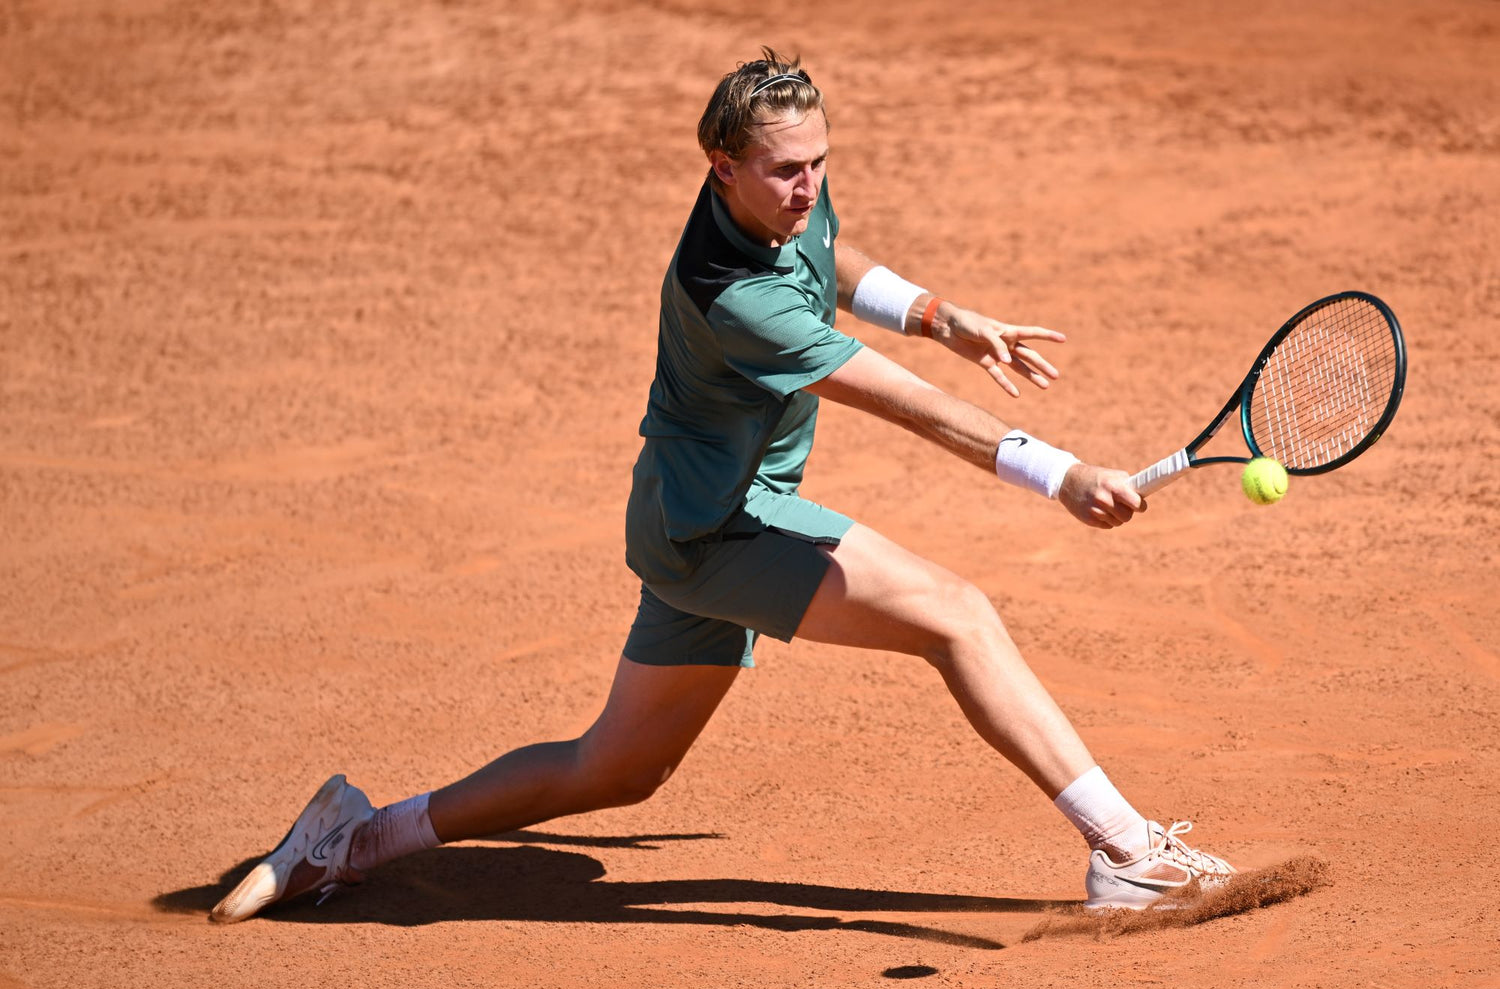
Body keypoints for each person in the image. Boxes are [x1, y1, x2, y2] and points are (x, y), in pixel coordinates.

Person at [210, 49, 1235, 924]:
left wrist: (943, 314)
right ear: (723, 166)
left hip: (682, 516)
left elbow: (835, 255)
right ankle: (1127, 852)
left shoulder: (779, 198)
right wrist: (1058, 473)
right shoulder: (732, 298)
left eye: (819, 163)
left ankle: (354, 834)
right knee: (957, 616)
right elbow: (907, 405)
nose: (808, 187)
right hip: (721, 529)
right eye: (786, 171)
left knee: (613, 770)